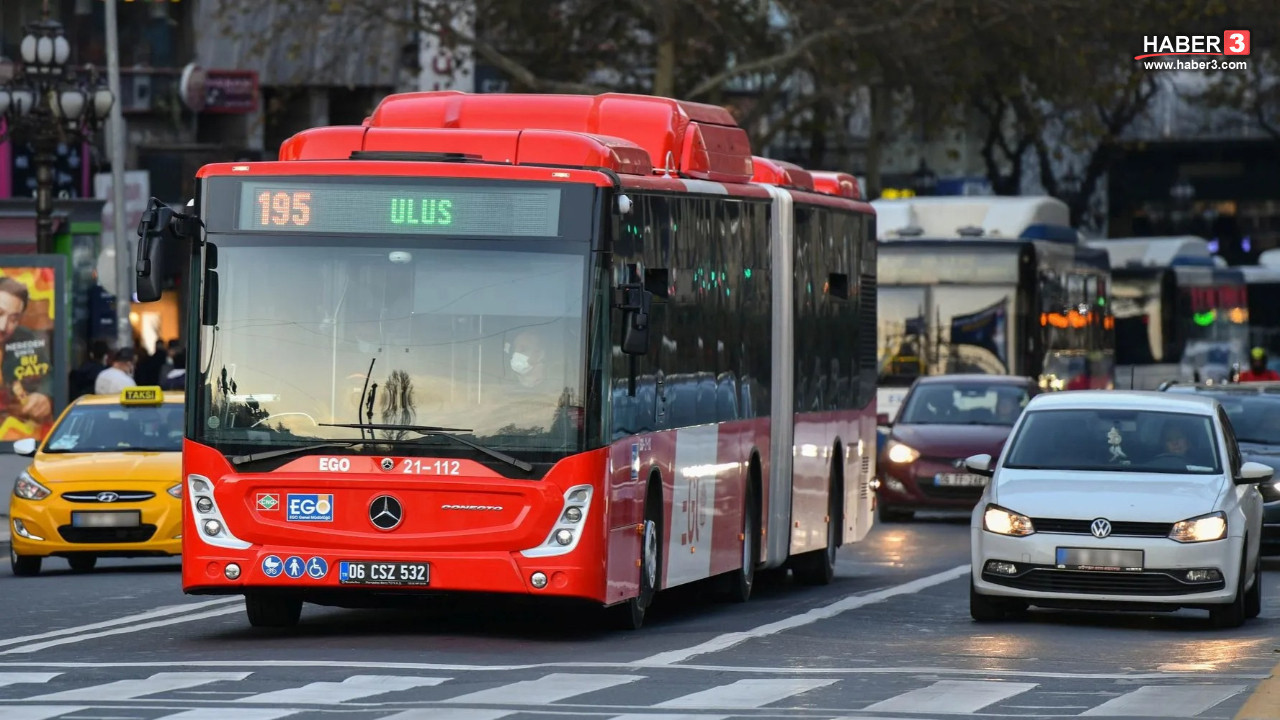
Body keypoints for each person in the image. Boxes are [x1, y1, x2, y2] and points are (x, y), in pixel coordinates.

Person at [0, 277, 54, 427]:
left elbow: (49, 375)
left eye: (13, 319)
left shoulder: (24, 337)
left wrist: (45, 395)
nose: (3, 326)